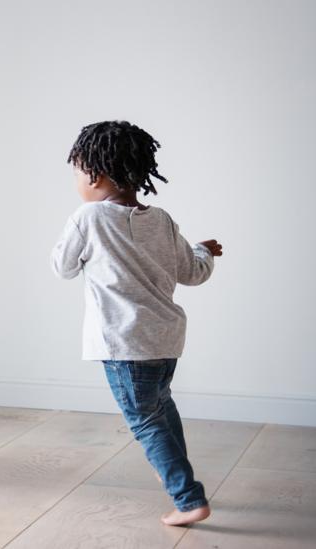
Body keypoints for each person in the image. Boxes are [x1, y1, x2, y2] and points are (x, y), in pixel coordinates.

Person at [52, 120, 222, 526]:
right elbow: (193, 272)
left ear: (96, 174)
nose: (76, 181)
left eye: (76, 170)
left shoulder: (87, 218)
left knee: (146, 422)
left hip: (123, 344)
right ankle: (189, 487)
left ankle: (188, 499)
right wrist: (204, 250)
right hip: (165, 340)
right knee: (162, 409)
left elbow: (63, 267)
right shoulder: (161, 219)